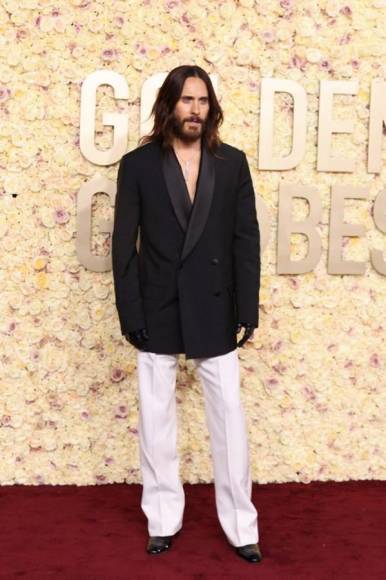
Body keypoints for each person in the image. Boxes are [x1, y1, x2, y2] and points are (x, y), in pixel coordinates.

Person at [111, 64, 262, 564]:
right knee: (156, 421)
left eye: (202, 101)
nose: (195, 109)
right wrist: (129, 310)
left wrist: (248, 307)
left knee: (230, 421)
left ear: (211, 107)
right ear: (169, 104)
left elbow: (246, 241)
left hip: (216, 304)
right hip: (155, 305)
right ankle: (162, 519)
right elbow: (122, 247)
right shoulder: (137, 165)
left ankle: (242, 527)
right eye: (186, 100)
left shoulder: (234, 164)